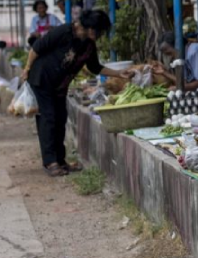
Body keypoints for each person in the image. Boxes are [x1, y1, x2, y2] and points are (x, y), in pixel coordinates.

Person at [22, 10, 133, 177]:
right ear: (90, 27)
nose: (101, 35)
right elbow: (36, 49)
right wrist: (27, 69)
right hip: (42, 80)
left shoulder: (88, 44)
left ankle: (60, 160)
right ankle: (50, 161)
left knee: (60, 118)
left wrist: (120, 74)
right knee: (49, 117)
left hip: (60, 85)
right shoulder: (64, 32)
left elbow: (95, 67)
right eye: (99, 30)